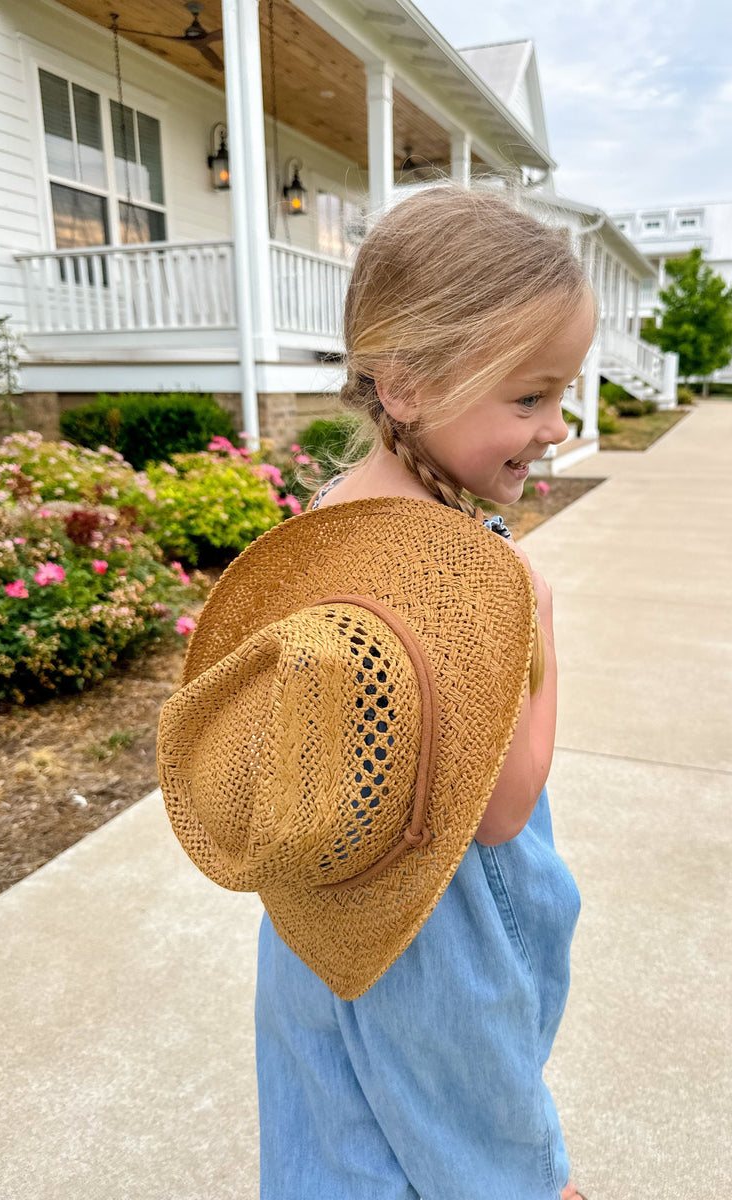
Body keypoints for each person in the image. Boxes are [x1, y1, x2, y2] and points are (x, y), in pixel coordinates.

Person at [159, 184, 596, 1199]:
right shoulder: (475, 566)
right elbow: (500, 811)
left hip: (322, 908)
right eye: (527, 399)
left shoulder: (325, 521)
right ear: (403, 384)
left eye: (560, 394)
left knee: (336, 1136)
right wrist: (536, 631)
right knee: (475, 1126)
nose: (554, 427)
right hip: (442, 925)